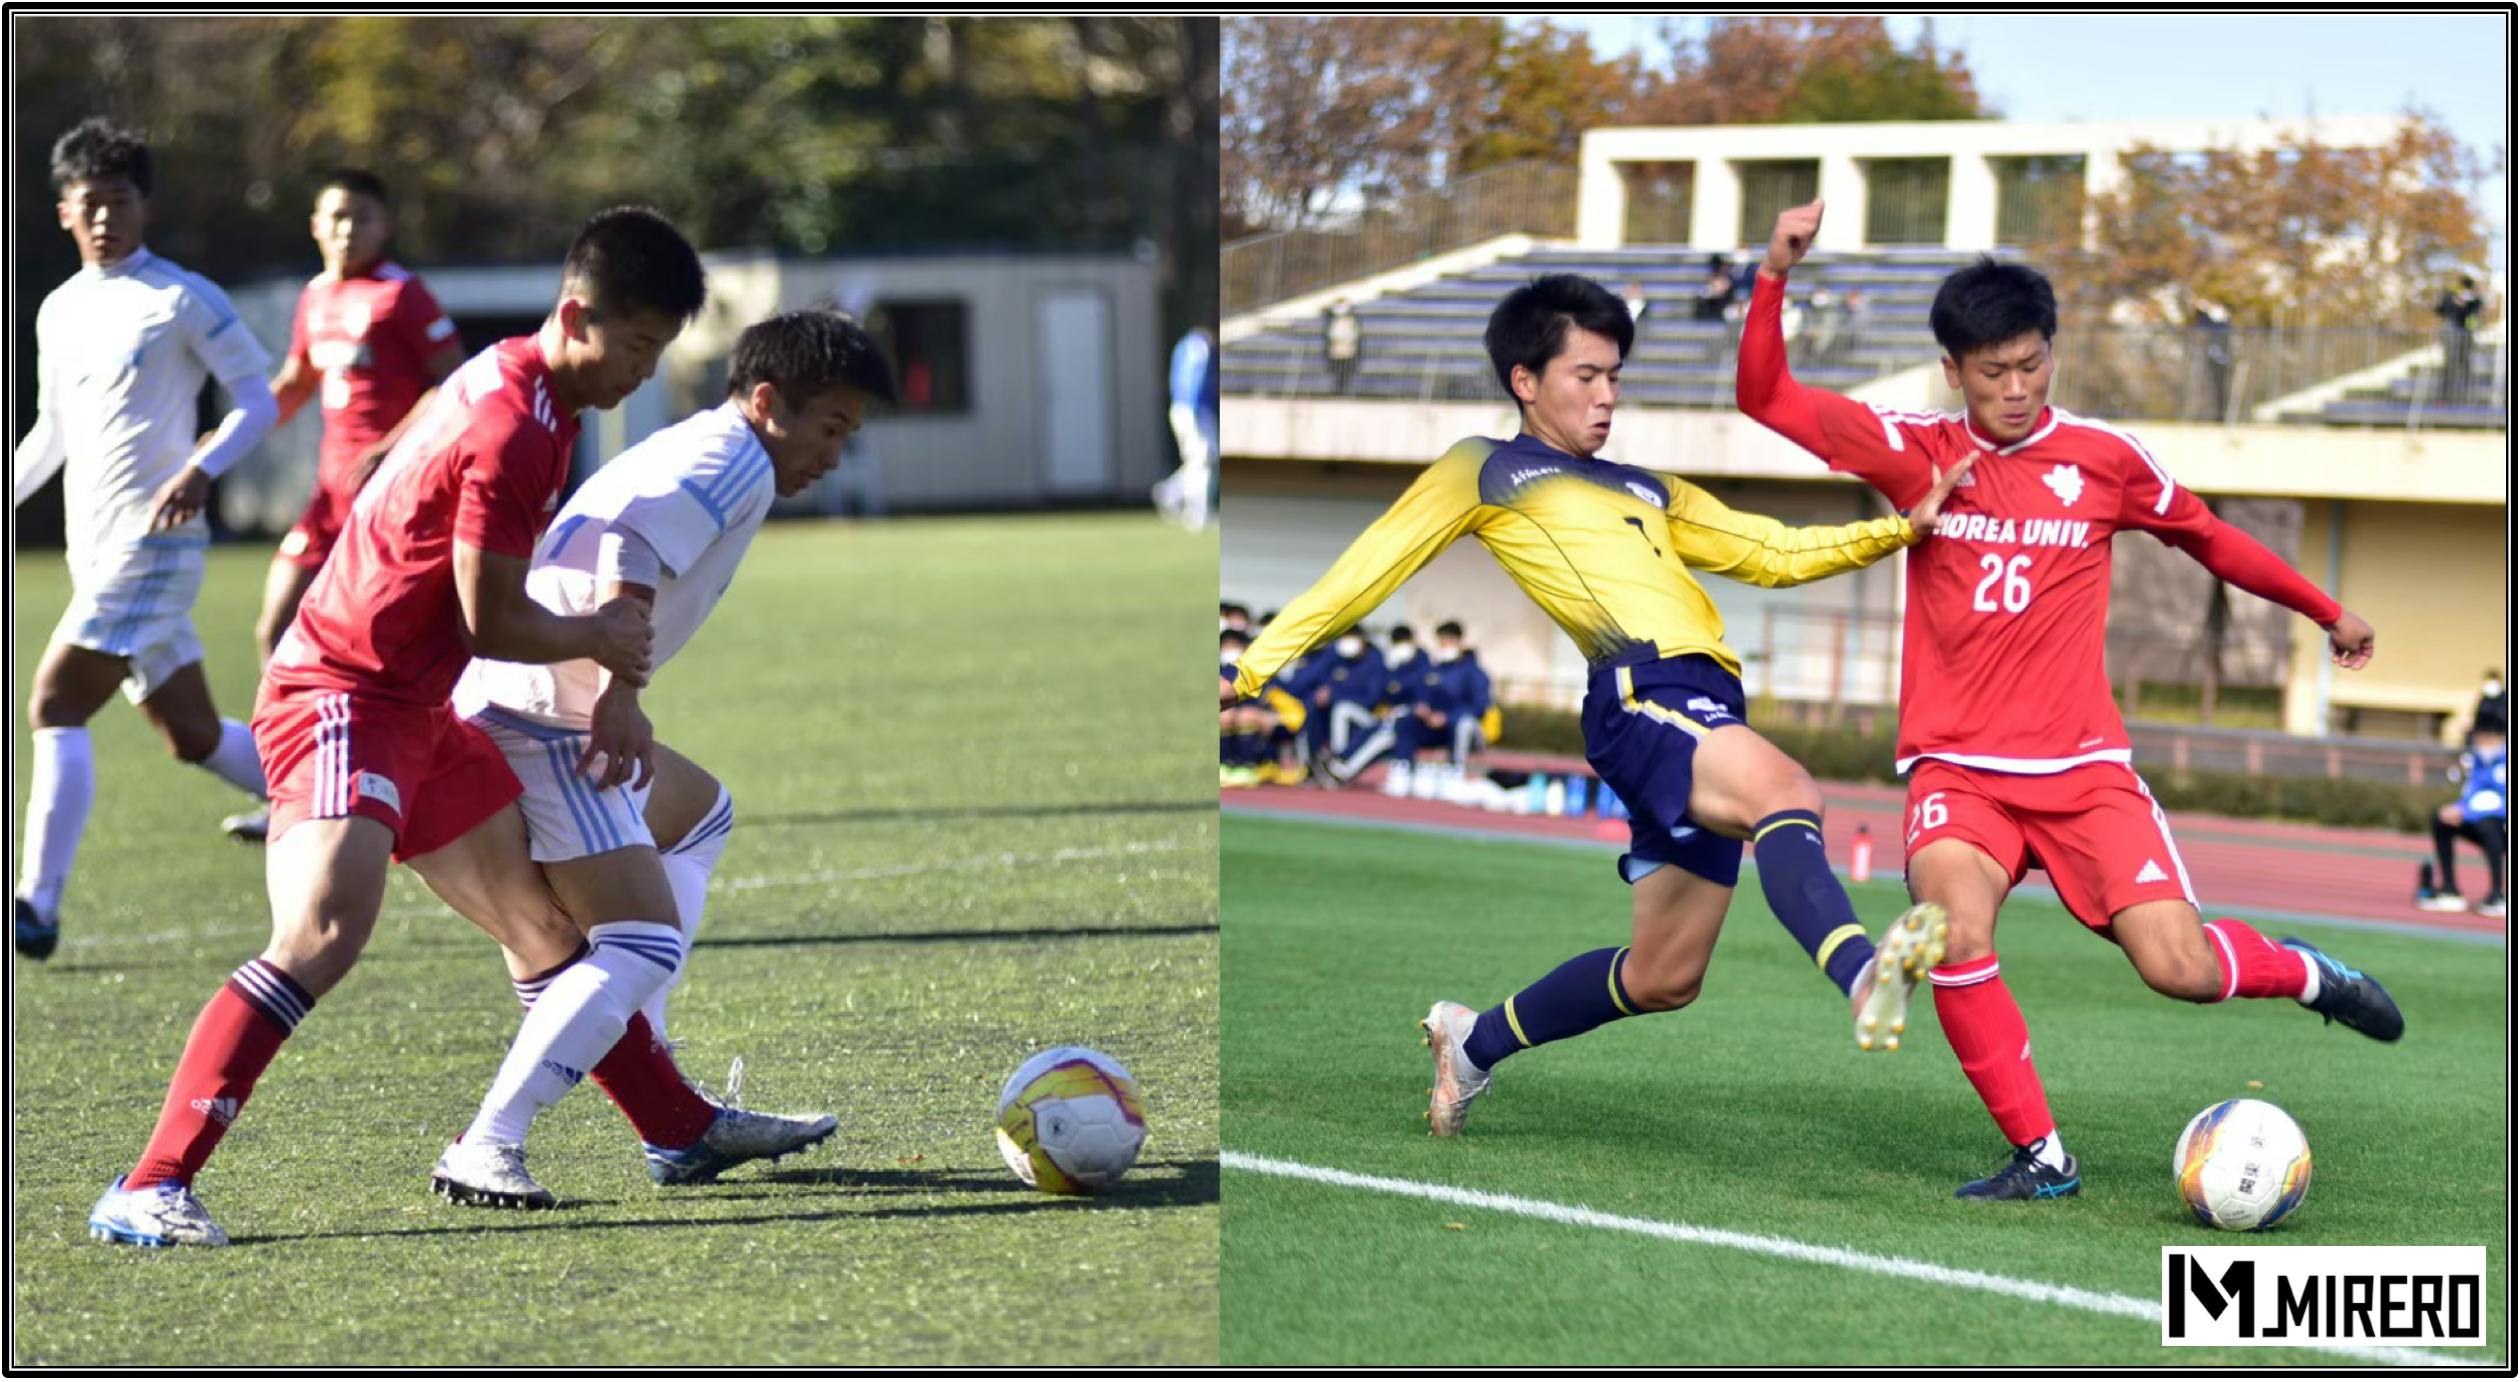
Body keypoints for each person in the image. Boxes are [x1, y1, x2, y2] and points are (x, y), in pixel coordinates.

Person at [1740, 199, 2400, 1202]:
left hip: (2083, 770)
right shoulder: (1910, 447)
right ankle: (2043, 1155)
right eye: (1992, 371)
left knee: (2177, 964)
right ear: (1953, 370)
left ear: (2051, 351)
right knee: (1955, 926)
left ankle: (2305, 972)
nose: (2015, 388)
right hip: (1957, 766)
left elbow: (2211, 537)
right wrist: (1775, 272)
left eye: (2032, 363)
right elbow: (1767, 398)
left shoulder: (2104, 459)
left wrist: (2325, 608)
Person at [1225, 272, 1980, 1138]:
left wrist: (1899, 529)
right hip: (1641, 691)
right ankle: (1860, 973)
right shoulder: (1488, 467)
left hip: (1703, 705)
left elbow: (1770, 550)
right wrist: (1251, 670)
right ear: (1525, 381)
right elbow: (1367, 568)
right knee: (1788, 794)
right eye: (1586, 375)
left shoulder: (1648, 486)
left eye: (1615, 376)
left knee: (1664, 976)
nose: (1607, 394)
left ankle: (1471, 1045)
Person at [87, 207, 707, 1249]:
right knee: (322, 933)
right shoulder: (517, 423)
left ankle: (682, 1127)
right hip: (343, 692)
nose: (642, 373)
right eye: (637, 346)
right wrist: (600, 631)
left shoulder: (522, 382)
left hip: (413, 705)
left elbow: (407, 489)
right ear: (577, 315)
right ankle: (148, 1182)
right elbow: (488, 617)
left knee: (545, 929)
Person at [430, 307, 896, 1206]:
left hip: (527, 696)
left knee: (698, 814)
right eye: (830, 427)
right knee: (636, 942)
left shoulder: (711, 443)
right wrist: (619, 693)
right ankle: (487, 1141)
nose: (835, 454)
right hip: (549, 712)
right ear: (769, 403)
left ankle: (669, 1115)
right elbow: (626, 542)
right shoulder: (736, 457)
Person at [14, 118, 279, 961]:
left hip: (156, 544)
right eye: (89, 205)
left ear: (144, 208)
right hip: (91, 549)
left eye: (119, 203)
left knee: (54, 705)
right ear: (64, 212)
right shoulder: (58, 309)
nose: (104, 219)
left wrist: (203, 467)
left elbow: (258, 397)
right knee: (190, 734)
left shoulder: (180, 298)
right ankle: (362, 800)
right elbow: (48, 434)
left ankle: (36, 905)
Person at [227, 169, 470, 844]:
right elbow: (297, 380)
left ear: (383, 226)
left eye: (361, 218)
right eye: (335, 217)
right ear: (314, 225)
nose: (346, 230)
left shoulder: (403, 295)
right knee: (275, 629)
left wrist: (390, 448)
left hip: (388, 507)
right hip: (327, 501)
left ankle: (418, 781)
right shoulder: (314, 297)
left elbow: (452, 381)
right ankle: (284, 790)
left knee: (389, 658)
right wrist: (220, 446)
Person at [2417, 714, 2505, 918]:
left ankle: (2497, 894)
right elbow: (2471, 795)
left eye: (2488, 739)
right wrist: (2456, 810)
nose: (2483, 744)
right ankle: (2449, 888)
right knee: (2441, 821)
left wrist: (2467, 812)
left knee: (2489, 826)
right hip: (2479, 818)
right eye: (2479, 738)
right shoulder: (2476, 761)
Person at [1153, 322, 1219, 531]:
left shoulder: (1182, 345)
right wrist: (1197, 412)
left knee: (1198, 461)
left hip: (1182, 408)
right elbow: (1195, 381)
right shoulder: (1200, 346)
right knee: (1204, 461)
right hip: (1195, 410)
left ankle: (1170, 492)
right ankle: (1197, 512)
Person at [2434, 274, 2484, 404]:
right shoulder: (2451, 296)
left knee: (2463, 365)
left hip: (2463, 334)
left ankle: (2463, 397)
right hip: (2454, 333)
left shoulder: (2472, 298)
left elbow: (2475, 310)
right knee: (2454, 365)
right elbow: (2440, 310)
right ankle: (2447, 397)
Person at [1323, 297, 1363, 393]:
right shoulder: (1333, 320)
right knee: (1338, 369)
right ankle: (1338, 387)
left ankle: (1343, 388)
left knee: (1346, 369)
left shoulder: (1351, 320)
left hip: (1347, 349)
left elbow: (1354, 334)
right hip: (1337, 349)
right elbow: (1331, 334)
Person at [1692, 254, 1734, 321]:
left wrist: (1722, 289)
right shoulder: (1712, 278)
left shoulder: (1727, 278)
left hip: (1723, 301)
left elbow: (1727, 289)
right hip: (1712, 299)